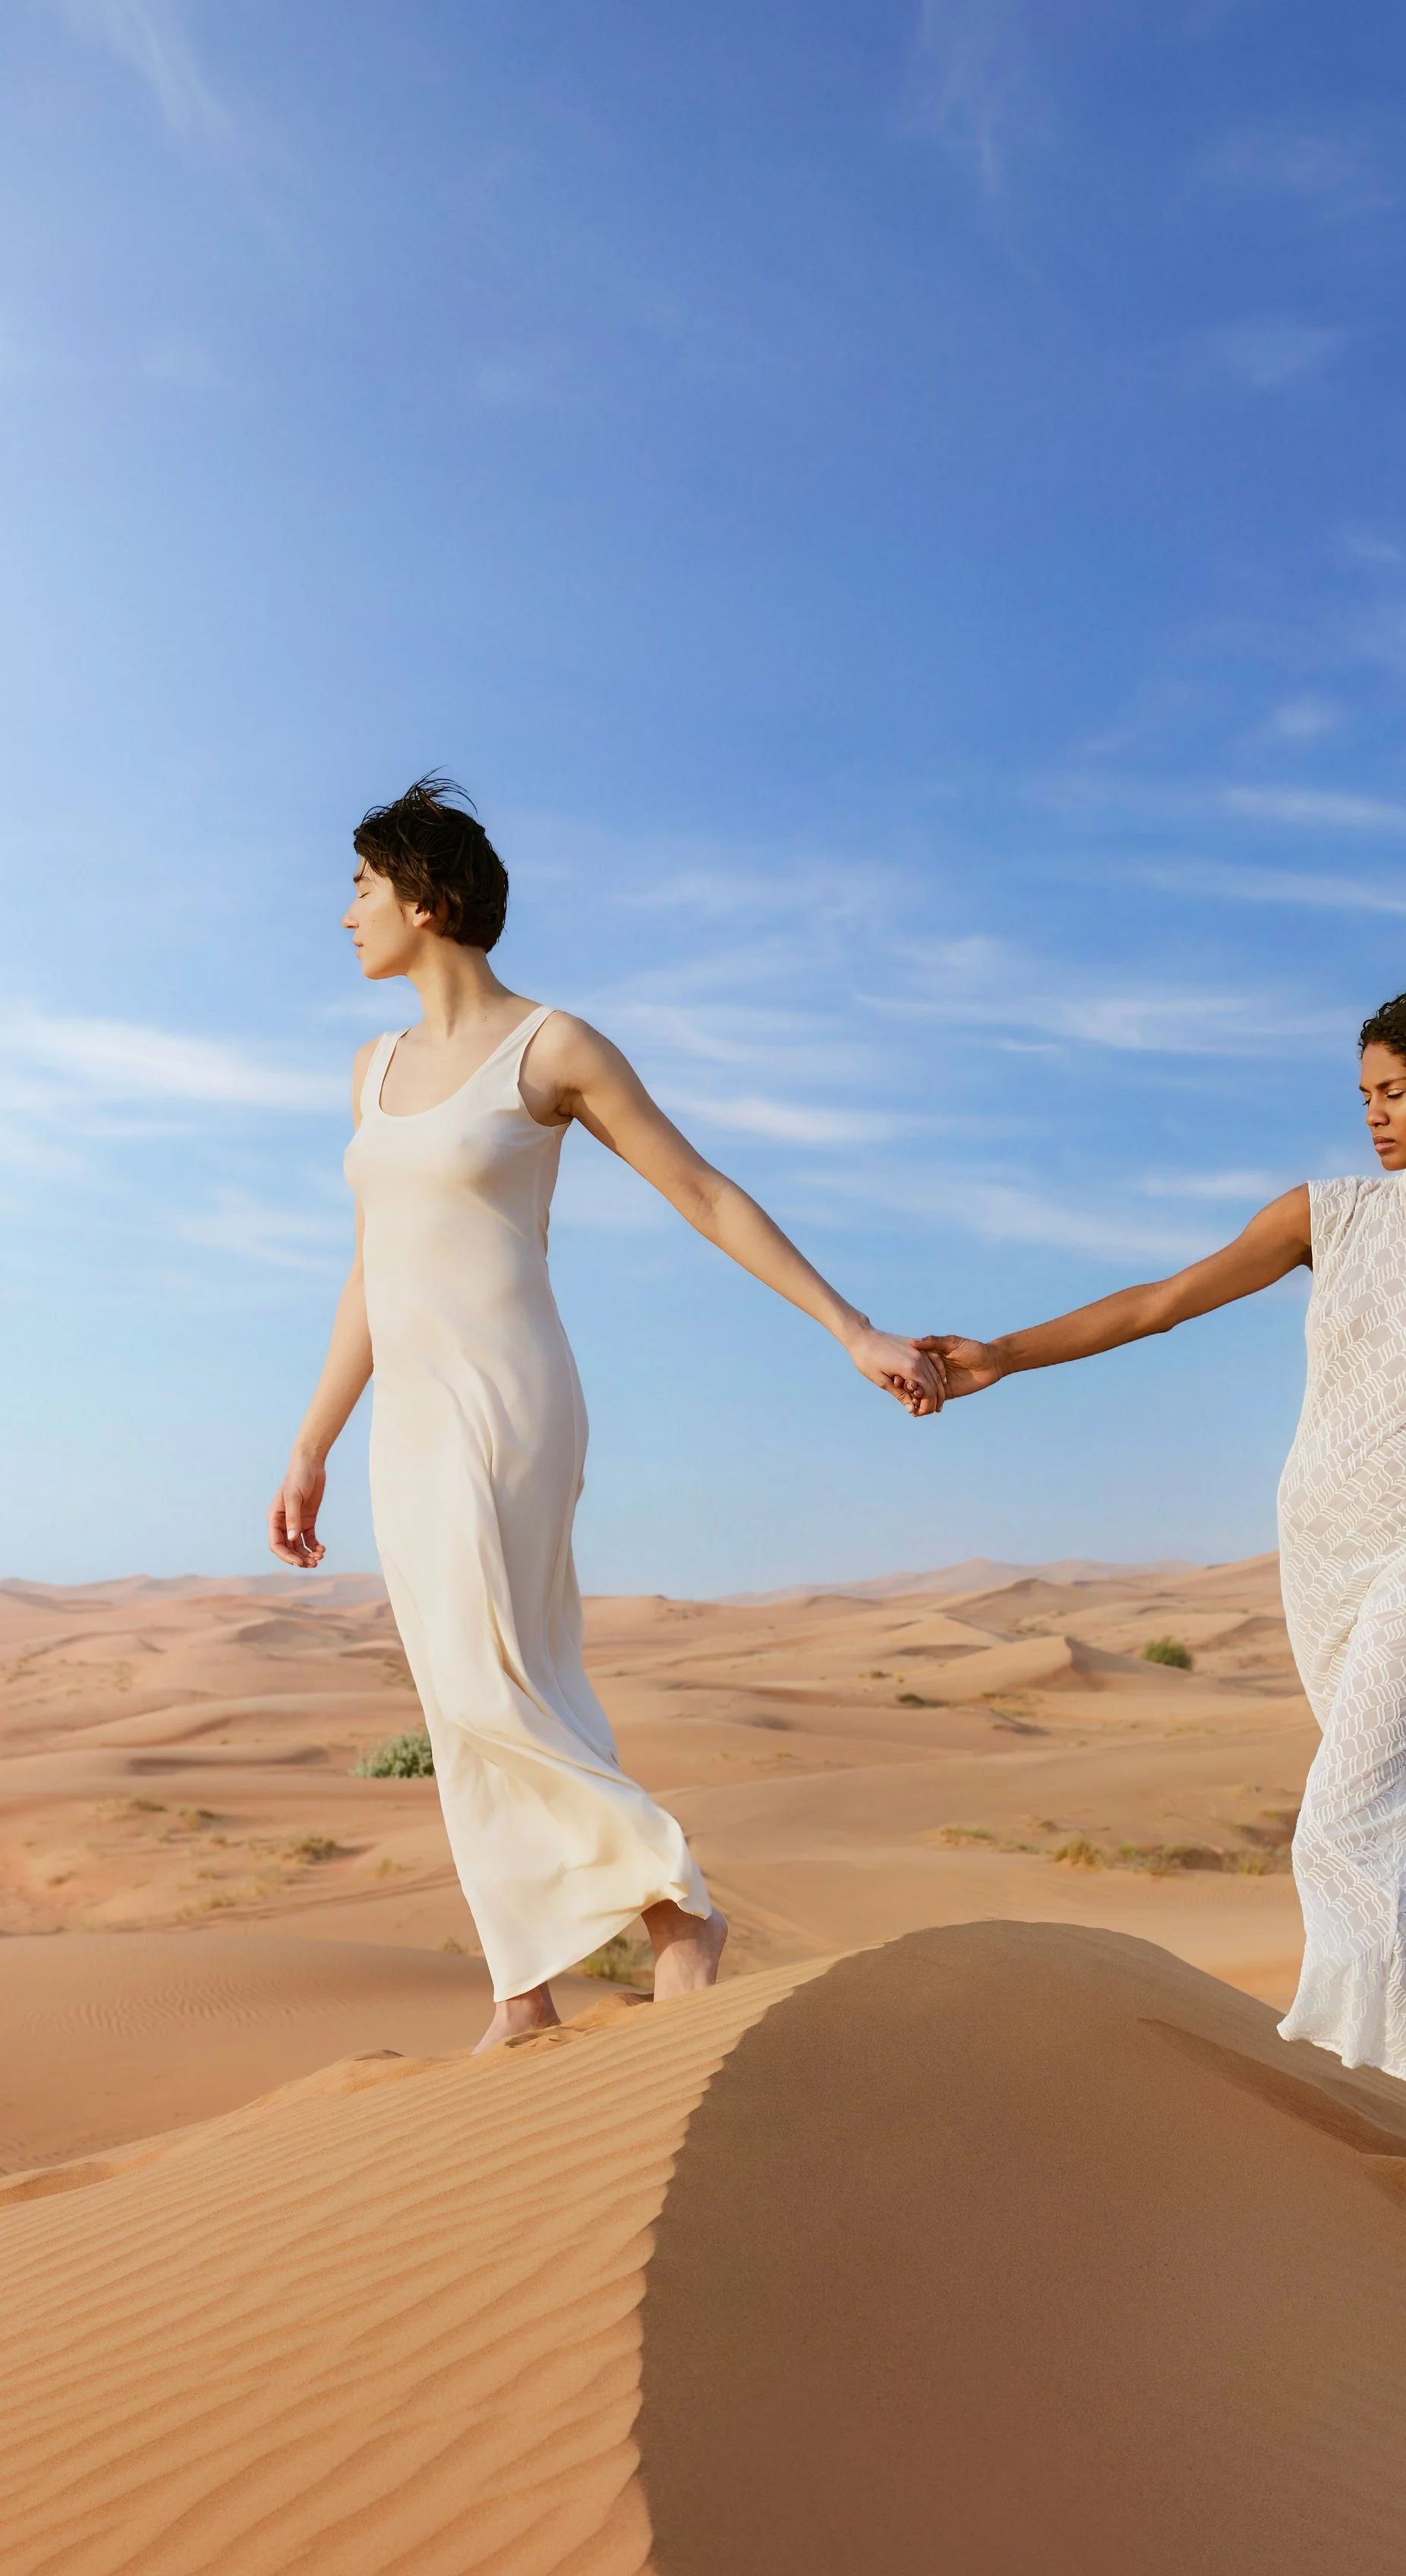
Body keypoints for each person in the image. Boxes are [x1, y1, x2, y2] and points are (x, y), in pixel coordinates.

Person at [270, 778, 943, 2049]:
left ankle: (674, 1904)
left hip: (508, 1393)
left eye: (362, 886)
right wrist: (311, 1441)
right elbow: (372, 1265)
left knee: (488, 1678)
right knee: (457, 1688)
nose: (344, 910)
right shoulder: (369, 1069)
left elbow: (702, 1189)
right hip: (406, 1411)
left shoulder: (553, 1046)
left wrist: (850, 1328)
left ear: (430, 898)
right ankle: (520, 1990)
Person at [920, 977, 1406, 2252]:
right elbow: (1162, 1300)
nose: (1373, 1116)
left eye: (1392, 1092)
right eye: (1364, 1096)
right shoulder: (1325, 1214)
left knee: (1344, 1817)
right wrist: (1003, 1351)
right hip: (1320, 1550)